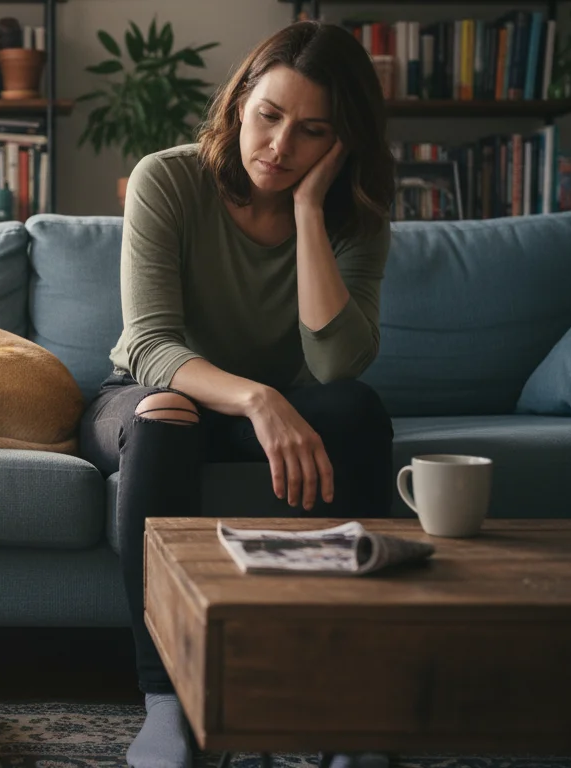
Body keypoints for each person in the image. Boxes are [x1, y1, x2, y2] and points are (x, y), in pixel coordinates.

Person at [78, 20, 397, 768]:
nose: (280, 146)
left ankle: (336, 694)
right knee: (166, 419)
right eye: (268, 116)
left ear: (343, 144)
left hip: (277, 403)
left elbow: (337, 364)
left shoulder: (358, 221)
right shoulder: (169, 179)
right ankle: (168, 701)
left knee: (356, 411)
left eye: (312, 131)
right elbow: (153, 343)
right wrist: (258, 400)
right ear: (238, 103)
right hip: (150, 397)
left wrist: (311, 213)